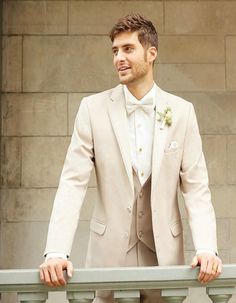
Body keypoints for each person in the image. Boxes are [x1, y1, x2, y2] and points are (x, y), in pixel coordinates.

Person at [40, 13, 222, 302]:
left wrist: (207, 249)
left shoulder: (182, 112)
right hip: (107, 255)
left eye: (127, 49)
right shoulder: (92, 109)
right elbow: (72, 184)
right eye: (114, 51)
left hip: (164, 256)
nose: (118, 58)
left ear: (151, 54)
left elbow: (196, 188)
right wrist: (56, 251)